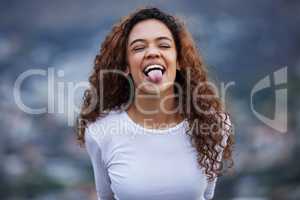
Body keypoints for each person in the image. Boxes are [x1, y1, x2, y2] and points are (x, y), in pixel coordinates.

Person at [76, 7, 234, 200]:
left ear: (179, 61)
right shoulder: (101, 130)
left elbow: (206, 195)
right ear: (125, 65)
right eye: (139, 47)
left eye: (164, 45)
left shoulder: (214, 125)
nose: (152, 52)